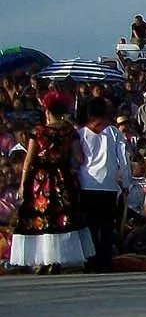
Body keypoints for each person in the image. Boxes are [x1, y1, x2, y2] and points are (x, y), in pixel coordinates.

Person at [10, 91, 95, 273]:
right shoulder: (69, 131)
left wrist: (23, 183)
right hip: (63, 178)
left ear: (47, 111)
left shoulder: (39, 132)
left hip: (41, 180)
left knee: (42, 217)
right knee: (62, 218)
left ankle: (45, 259)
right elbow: (79, 158)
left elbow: (28, 161)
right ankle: (56, 260)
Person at [77, 96, 130, 272]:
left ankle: (90, 261)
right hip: (107, 186)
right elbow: (123, 161)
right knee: (106, 226)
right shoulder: (114, 133)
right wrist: (126, 184)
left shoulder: (80, 133)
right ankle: (104, 261)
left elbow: (77, 160)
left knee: (91, 226)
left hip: (86, 185)